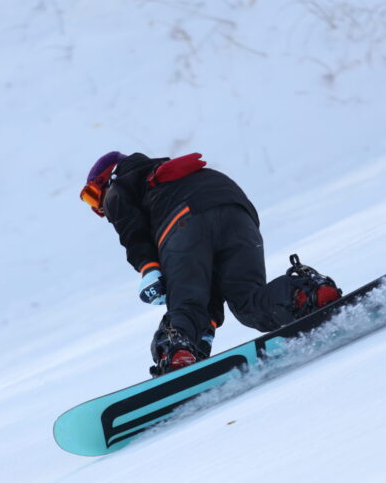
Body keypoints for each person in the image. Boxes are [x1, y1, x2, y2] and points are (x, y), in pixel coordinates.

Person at [81, 151, 342, 375]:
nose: (98, 207)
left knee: (185, 305)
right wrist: (205, 333)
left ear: (107, 178)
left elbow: (132, 234)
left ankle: (177, 355)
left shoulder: (117, 187)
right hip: (237, 212)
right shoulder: (167, 175)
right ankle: (308, 293)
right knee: (249, 302)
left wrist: (148, 269)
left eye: (93, 195)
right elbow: (207, 284)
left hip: (182, 219)